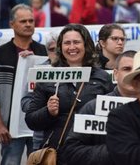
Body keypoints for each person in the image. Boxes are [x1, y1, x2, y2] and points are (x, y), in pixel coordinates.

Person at [25, 24, 114, 163]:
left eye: (77, 42)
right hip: (58, 154)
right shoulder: (48, 77)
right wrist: (48, 112)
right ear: (61, 47)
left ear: (86, 45)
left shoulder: (103, 77)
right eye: (67, 43)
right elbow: (31, 121)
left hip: (91, 154)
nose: (72, 47)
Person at [0, 4, 47, 165]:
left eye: (31, 21)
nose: (28, 24)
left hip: (39, 124)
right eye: (23, 21)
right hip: (10, 127)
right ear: (12, 24)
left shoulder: (43, 53)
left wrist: (36, 62)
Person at [62, 50, 137, 165]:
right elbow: (71, 151)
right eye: (127, 69)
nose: (132, 74)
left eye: (137, 70)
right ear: (116, 74)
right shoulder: (94, 108)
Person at [21, 32, 58, 151]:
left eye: (59, 48)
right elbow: (25, 102)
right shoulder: (38, 71)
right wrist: (41, 106)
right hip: (41, 136)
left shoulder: (75, 69)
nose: (56, 52)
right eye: (52, 49)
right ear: (47, 51)